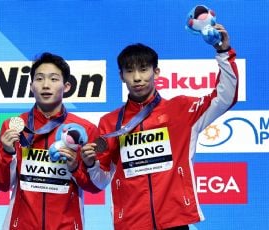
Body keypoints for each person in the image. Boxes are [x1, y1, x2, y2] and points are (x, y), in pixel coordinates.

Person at [81, 24, 238, 229]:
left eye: (144, 69)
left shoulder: (181, 110)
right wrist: (91, 164)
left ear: (156, 72)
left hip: (175, 222)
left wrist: (223, 52)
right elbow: (100, 181)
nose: (137, 77)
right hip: (131, 224)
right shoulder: (109, 123)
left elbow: (225, 97)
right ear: (121, 76)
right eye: (130, 71)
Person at [0, 52, 101, 229]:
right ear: (31, 86)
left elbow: (94, 187)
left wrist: (75, 167)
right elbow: (3, 185)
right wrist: (7, 152)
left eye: (53, 79)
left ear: (66, 86)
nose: (45, 85)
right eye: (39, 79)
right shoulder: (13, 127)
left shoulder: (85, 130)